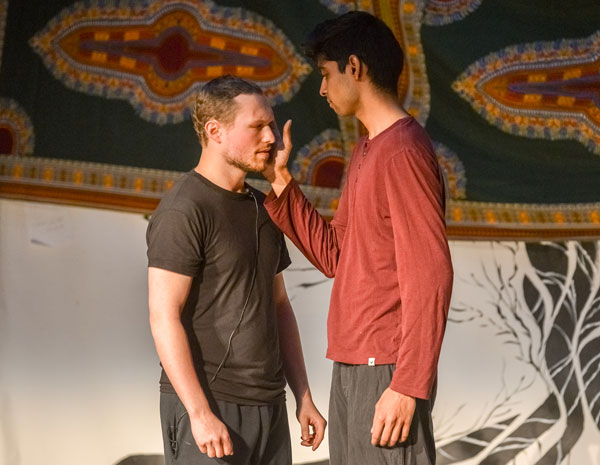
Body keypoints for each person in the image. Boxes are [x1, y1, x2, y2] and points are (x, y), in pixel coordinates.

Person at [261, 11, 454, 465]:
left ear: (355, 67)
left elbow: (431, 273)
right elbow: (338, 257)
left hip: (386, 368)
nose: (322, 89)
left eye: (326, 75)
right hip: (351, 364)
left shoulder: (404, 151)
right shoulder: (369, 147)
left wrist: (407, 384)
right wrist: (281, 182)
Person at [146, 75, 326, 465]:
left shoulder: (264, 208)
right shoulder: (184, 209)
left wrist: (304, 396)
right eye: (257, 126)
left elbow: (279, 307)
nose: (272, 137)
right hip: (211, 406)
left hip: (269, 405)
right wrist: (198, 413)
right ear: (216, 131)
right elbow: (163, 316)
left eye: (272, 125)